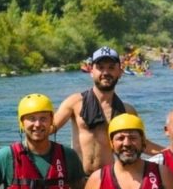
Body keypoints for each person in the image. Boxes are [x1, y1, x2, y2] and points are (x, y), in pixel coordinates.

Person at [53, 46, 162, 175]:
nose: (105, 72)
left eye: (111, 68)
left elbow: (143, 144)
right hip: (78, 178)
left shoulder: (127, 111)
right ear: (91, 71)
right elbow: (48, 129)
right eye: (100, 67)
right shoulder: (75, 102)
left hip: (108, 178)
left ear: (120, 72)